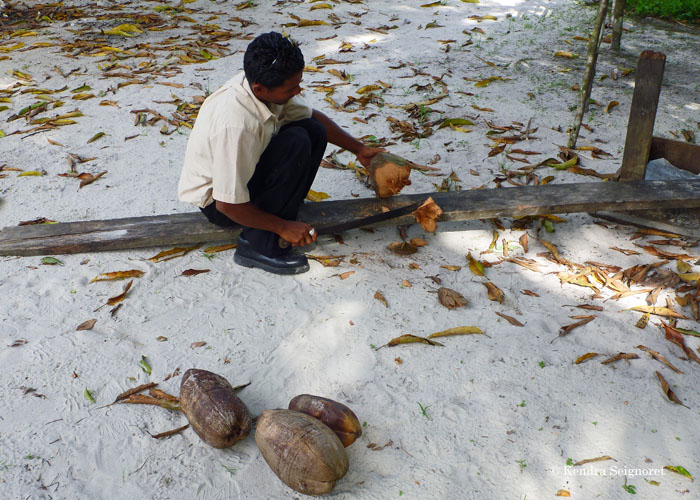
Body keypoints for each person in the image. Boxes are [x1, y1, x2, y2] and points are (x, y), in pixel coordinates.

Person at [178, 32, 384, 275]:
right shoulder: (237, 124)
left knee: (313, 130)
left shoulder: (264, 86)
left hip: (241, 184)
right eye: (291, 89)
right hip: (221, 204)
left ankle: (280, 211)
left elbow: (311, 116)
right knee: (295, 142)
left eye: (298, 83)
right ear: (260, 89)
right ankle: (258, 245)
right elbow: (227, 204)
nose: (298, 91)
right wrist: (283, 227)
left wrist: (360, 149)